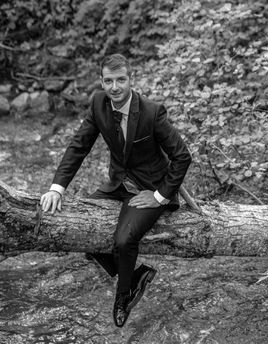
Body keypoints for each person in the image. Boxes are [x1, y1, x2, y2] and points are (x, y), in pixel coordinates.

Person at [40, 53, 192, 327]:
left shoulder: (151, 112)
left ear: (130, 79)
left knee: (124, 241)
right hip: (118, 185)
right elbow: (79, 146)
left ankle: (124, 295)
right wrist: (56, 189)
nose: (115, 87)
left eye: (120, 80)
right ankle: (134, 275)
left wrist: (159, 196)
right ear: (102, 81)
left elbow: (182, 156)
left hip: (150, 189)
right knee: (82, 233)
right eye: (108, 81)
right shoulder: (98, 103)